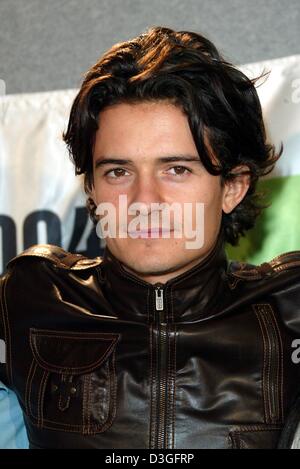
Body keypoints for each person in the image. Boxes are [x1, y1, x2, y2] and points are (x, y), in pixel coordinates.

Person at [1, 25, 300, 449]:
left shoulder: (292, 306)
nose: (143, 201)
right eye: (118, 172)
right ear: (92, 189)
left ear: (232, 187)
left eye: (176, 169)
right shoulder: (28, 296)